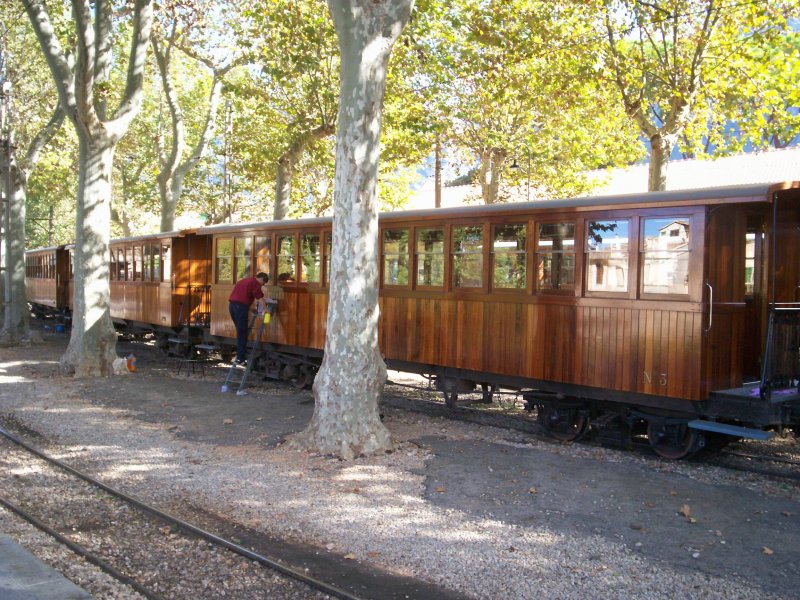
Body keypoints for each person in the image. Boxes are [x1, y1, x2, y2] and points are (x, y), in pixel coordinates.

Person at [228, 272, 269, 365]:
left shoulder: (244, 280)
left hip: (232, 306)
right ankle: (240, 358)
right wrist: (266, 310)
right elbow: (260, 297)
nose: (262, 285)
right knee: (242, 332)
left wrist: (250, 309)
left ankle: (239, 355)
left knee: (240, 331)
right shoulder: (255, 283)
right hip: (240, 308)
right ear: (262, 279)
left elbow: (241, 297)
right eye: (263, 283)